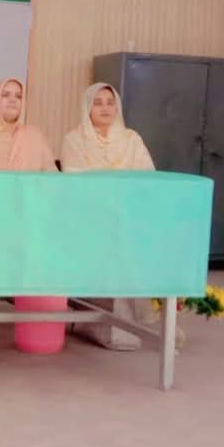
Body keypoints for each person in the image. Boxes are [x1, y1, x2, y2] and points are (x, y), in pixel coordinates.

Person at [60, 82, 179, 350]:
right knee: (111, 237)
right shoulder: (74, 139)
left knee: (149, 235)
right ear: (87, 108)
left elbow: (147, 178)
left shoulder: (131, 139)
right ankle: (113, 320)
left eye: (110, 102)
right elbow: (75, 182)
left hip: (129, 213)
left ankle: (145, 317)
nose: (105, 108)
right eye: (97, 103)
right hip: (90, 216)